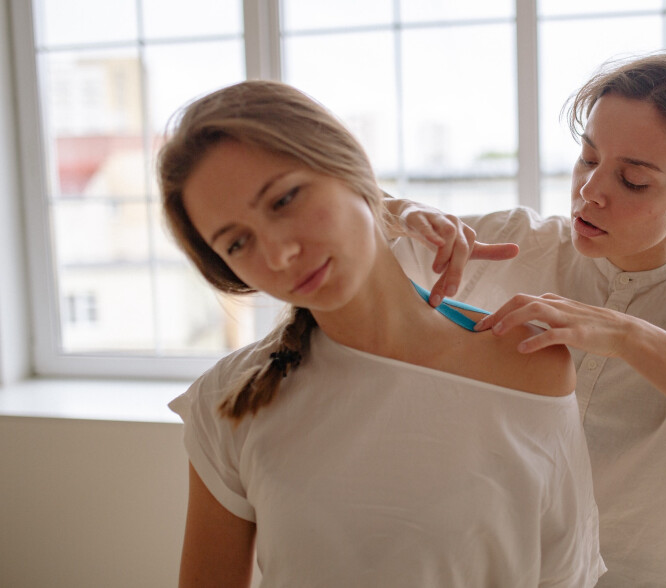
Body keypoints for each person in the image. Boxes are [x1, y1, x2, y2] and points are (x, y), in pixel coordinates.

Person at [387, 51, 666, 587]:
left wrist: (634, 339)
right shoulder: (514, 243)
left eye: (632, 180)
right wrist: (398, 215)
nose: (590, 191)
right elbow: (334, 234)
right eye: (588, 158)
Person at [158, 80, 605, 587]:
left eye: (284, 200)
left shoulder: (527, 360)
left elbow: (566, 573)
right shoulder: (229, 401)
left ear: (348, 164)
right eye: (237, 243)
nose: (278, 254)